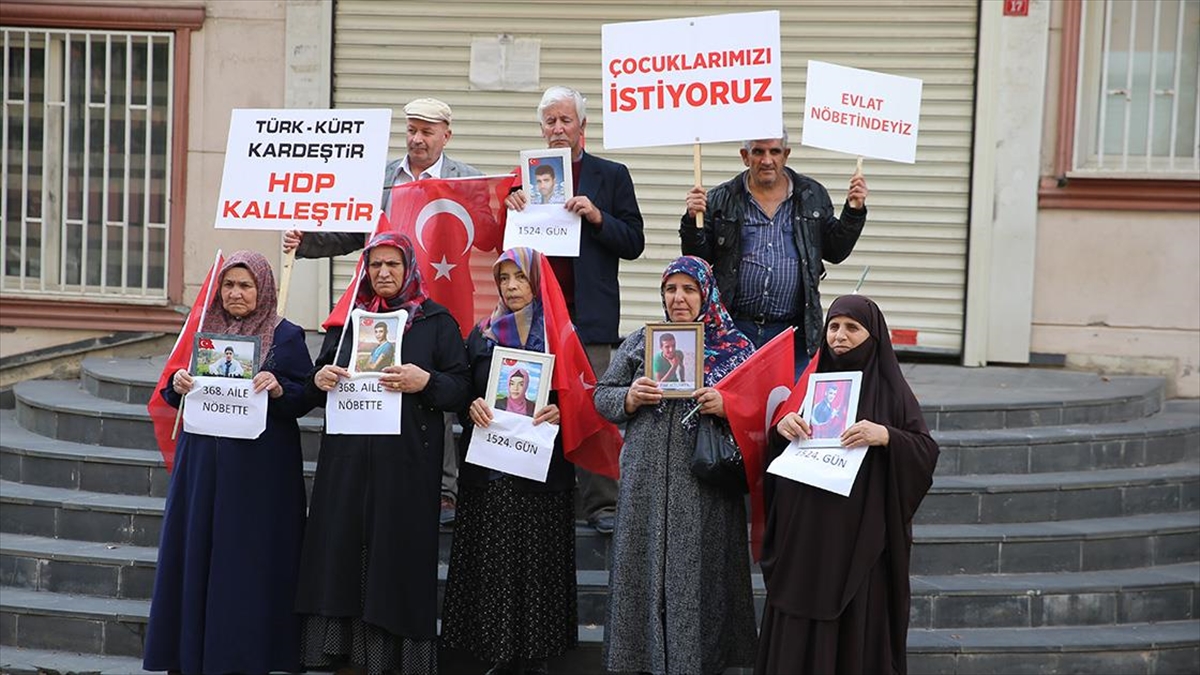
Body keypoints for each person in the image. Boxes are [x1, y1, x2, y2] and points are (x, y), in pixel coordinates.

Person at [284, 97, 482, 527]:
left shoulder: (468, 179)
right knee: (378, 378)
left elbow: (490, 223)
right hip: (379, 304)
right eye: (411, 129)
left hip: (438, 305)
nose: (416, 138)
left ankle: (445, 488)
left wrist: (519, 201)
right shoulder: (381, 178)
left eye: (427, 131)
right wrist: (305, 242)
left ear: (446, 135)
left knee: (437, 391)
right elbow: (350, 231)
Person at [295, 232, 471, 675]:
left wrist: (424, 381)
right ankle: (340, 651)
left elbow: (461, 389)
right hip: (349, 460)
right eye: (375, 265)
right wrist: (321, 379)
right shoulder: (347, 322)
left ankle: (397, 658)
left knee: (398, 555)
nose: (383, 273)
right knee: (341, 550)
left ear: (409, 267)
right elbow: (316, 379)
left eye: (392, 264)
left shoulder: (435, 321)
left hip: (408, 463)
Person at [143, 251, 313, 675]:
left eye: (246, 285)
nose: (236, 294)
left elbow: (305, 397)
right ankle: (191, 654)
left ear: (264, 289)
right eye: (229, 285)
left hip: (258, 474)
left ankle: (244, 655)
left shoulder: (286, 335)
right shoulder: (203, 330)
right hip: (202, 469)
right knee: (197, 551)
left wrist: (277, 388)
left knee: (247, 560)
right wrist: (179, 384)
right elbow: (172, 391)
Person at [757, 295, 940, 675]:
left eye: (852, 328)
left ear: (873, 336)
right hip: (805, 539)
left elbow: (924, 451)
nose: (840, 335)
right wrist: (781, 429)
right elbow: (778, 453)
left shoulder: (893, 393)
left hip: (859, 543)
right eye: (834, 326)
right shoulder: (812, 385)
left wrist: (887, 435)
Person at [593, 255, 758, 675]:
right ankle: (640, 660)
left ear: (706, 293)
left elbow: (762, 411)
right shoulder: (640, 341)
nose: (679, 298)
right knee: (642, 571)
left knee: (698, 579)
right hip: (646, 483)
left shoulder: (737, 348)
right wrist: (629, 397)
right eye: (671, 289)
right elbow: (602, 395)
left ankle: (697, 663)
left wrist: (728, 406)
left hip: (704, 488)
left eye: (689, 289)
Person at [506, 85, 645, 534]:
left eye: (566, 120)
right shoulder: (523, 177)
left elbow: (634, 242)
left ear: (582, 127)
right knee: (530, 402)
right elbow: (503, 248)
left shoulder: (611, 175)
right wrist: (509, 207)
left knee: (593, 407)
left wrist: (598, 217)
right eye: (551, 121)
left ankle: (603, 503)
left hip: (589, 318)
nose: (558, 129)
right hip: (536, 314)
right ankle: (532, 495)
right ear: (541, 129)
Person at [442, 247, 577, 675]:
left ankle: (536, 656)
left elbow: (583, 394)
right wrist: (472, 407)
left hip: (541, 470)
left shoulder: (561, 333)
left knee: (538, 562)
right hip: (492, 467)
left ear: (538, 281)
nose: (513, 286)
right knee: (493, 562)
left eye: (521, 277)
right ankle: (498, 652)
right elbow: (462, 389)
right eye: (504, 278)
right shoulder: (481, 335)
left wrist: (563, 411)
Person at [680, 130, 869, 379]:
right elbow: (698, 262)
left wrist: (853, 211)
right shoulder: (721, 198)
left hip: (793, 332)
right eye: (758, 151)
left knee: (788, 407)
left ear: (786, 155)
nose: (767, 160)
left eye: (774, 151)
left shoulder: (811, 195)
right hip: (734, 327)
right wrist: (693, 221)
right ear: (745, 156)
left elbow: (835, 251)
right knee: (735, 406)